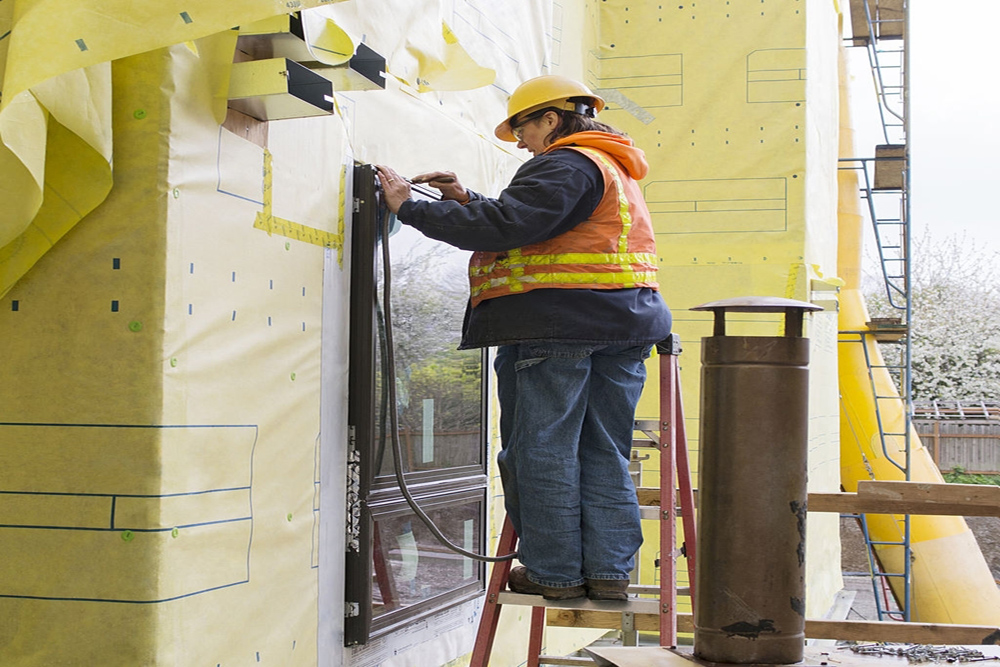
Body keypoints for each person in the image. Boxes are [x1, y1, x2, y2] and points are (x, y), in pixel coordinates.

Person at [376, 74, 672, 601]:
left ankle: (555, 573)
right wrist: (466, 199)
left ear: (551, 119)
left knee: (543, 451)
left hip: (559, 325)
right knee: (603, 449)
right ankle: (607, 572)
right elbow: (542, 226)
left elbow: (508, 226)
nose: (519, 142)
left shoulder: (566, 162)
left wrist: (410, 207)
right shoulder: (611, 167)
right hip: (622, 326)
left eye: (522, 128)